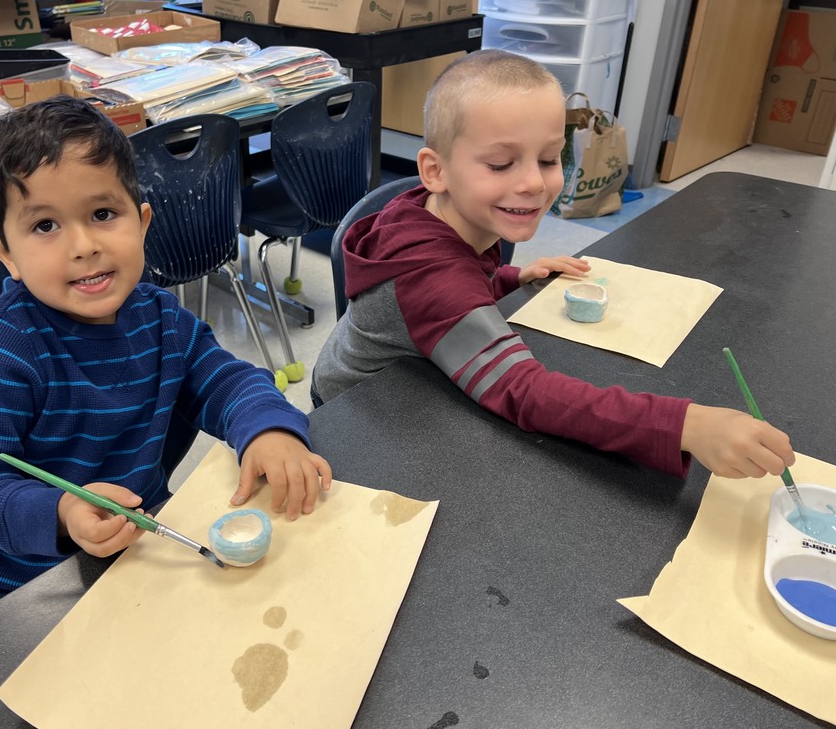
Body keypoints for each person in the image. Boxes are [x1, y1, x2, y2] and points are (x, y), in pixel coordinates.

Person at [0, 95, 332, 631]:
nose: (84, 245)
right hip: (11, 595)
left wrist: (267, 429)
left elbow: (225, 380)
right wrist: (60, 513)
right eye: (45, 226)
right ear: (6, 255)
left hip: (132, 559)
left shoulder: (159, 316)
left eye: (102, 214)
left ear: (141, 223)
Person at [313, 49, 793, 481]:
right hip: (359, 412)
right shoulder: (431, 276)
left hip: (401, 374)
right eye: (501, 165)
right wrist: (686, 425)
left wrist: (510, 277)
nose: (533, 184)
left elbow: (455, 290)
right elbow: (524, 390)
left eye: (548, 158)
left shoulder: (440, 209)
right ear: (435, 171)